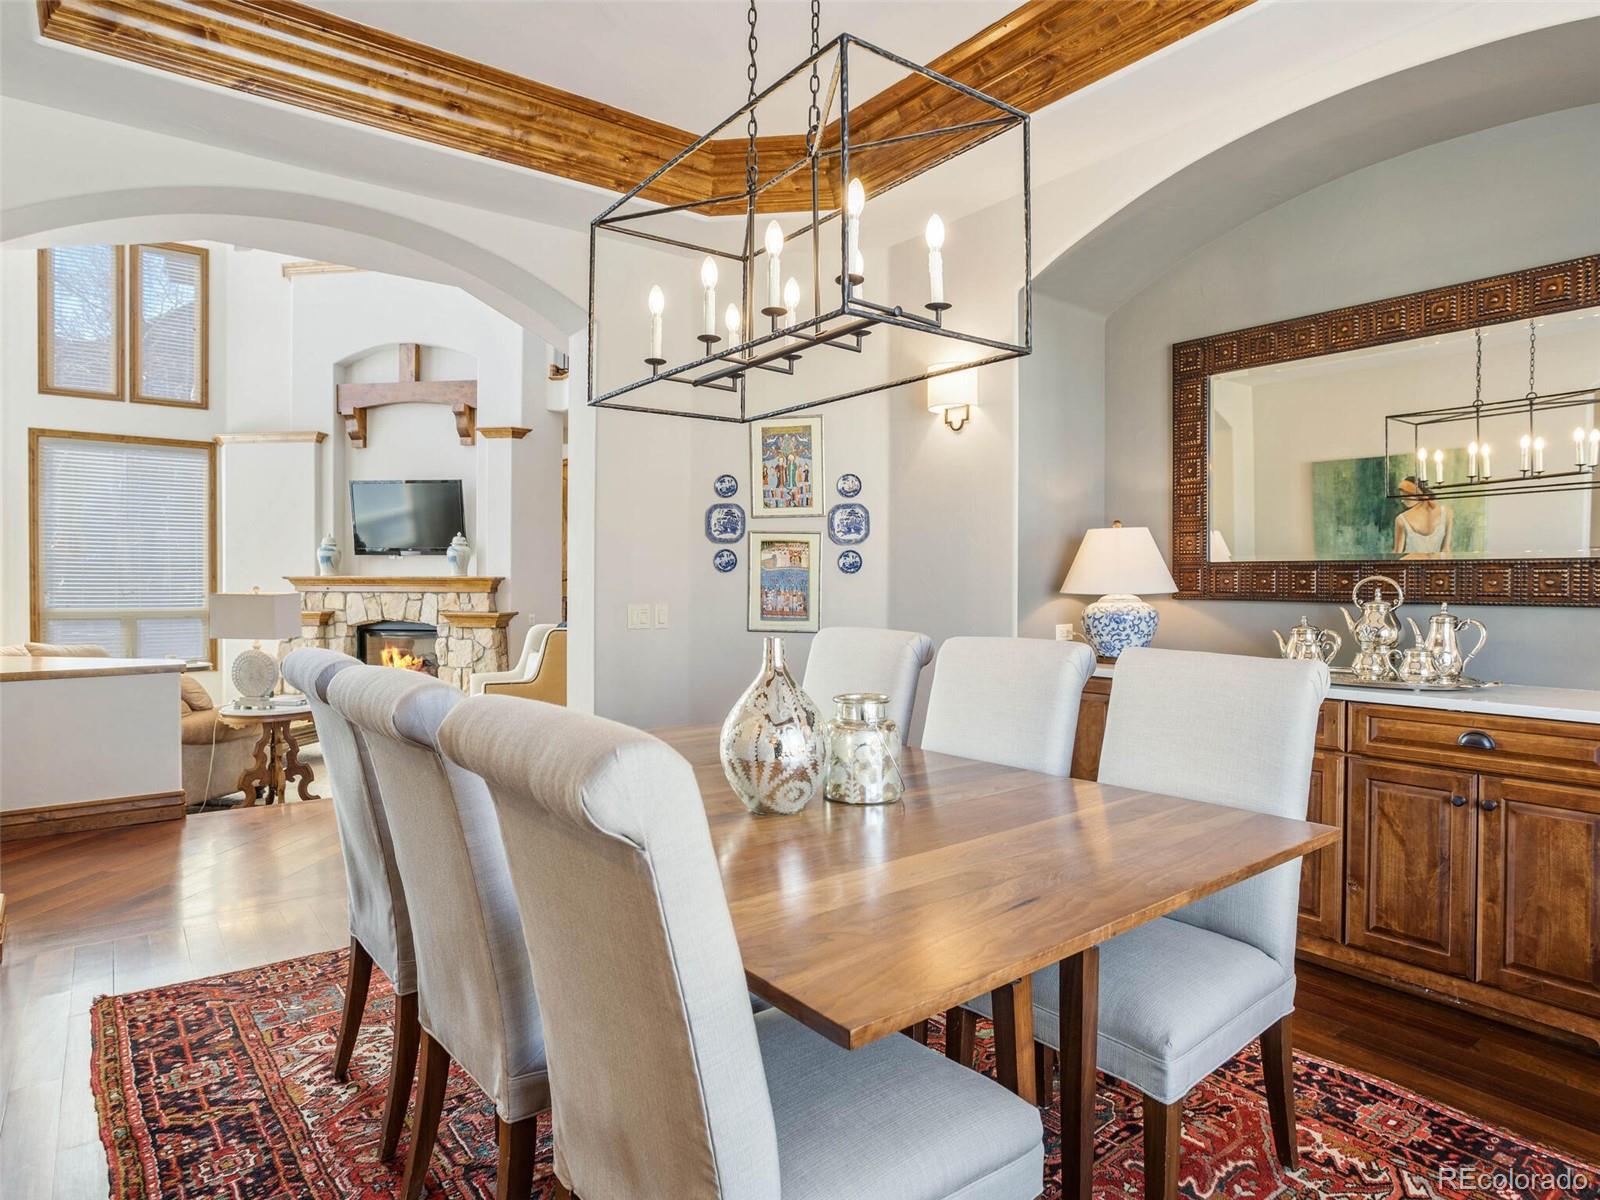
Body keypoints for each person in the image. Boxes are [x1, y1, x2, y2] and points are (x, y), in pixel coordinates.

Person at [1394, 475, 1452, 558]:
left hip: (1435, 568)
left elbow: (1446, 549)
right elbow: (1397, 555)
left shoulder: (1446, 513)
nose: (1402, 501)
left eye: (1404, 496)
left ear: (1415, 494)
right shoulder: (1401, 520)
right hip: (1410, 567)